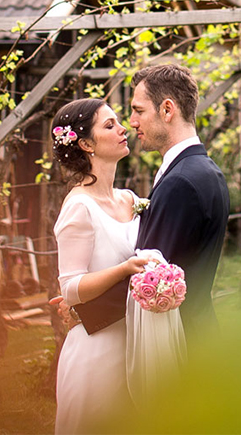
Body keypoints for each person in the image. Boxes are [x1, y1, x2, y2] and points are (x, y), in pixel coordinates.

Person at [72, 64, 230, 349]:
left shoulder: (182, 181)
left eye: (139, 110)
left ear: (167, 110)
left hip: (181, 346)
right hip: (197, 329)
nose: (131, 122)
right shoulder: (203, 170)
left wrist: (83, 313)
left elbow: (152, 278)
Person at [50, 98, 151, 434]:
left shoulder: (132, 200)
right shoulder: (79, 207)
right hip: (97, 350)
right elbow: (71, 289)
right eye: (109, 125)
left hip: (136, 344)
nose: (124, 128)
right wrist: (124, 270)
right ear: (86, 144)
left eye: (119, 121)